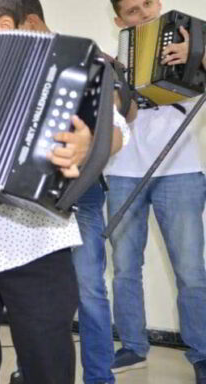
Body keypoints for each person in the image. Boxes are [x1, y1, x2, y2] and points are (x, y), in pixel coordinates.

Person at [0, 1, 126, 383]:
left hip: (35, 239)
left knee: (45, 360)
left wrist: (89, 143)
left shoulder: (67, 63)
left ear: (3, 25)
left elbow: (116, 127)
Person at [106, 1, 206, 382]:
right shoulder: (112, 59)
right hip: (124, 172)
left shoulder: (190, 41)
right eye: (132, 11)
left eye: (147, 3)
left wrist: (198, 55)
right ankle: (133, 345)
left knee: (191, 271)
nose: (143, 14)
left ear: (159, 4)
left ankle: (202, 353)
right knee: (126, 268)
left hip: (180, 171)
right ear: (120, 20)